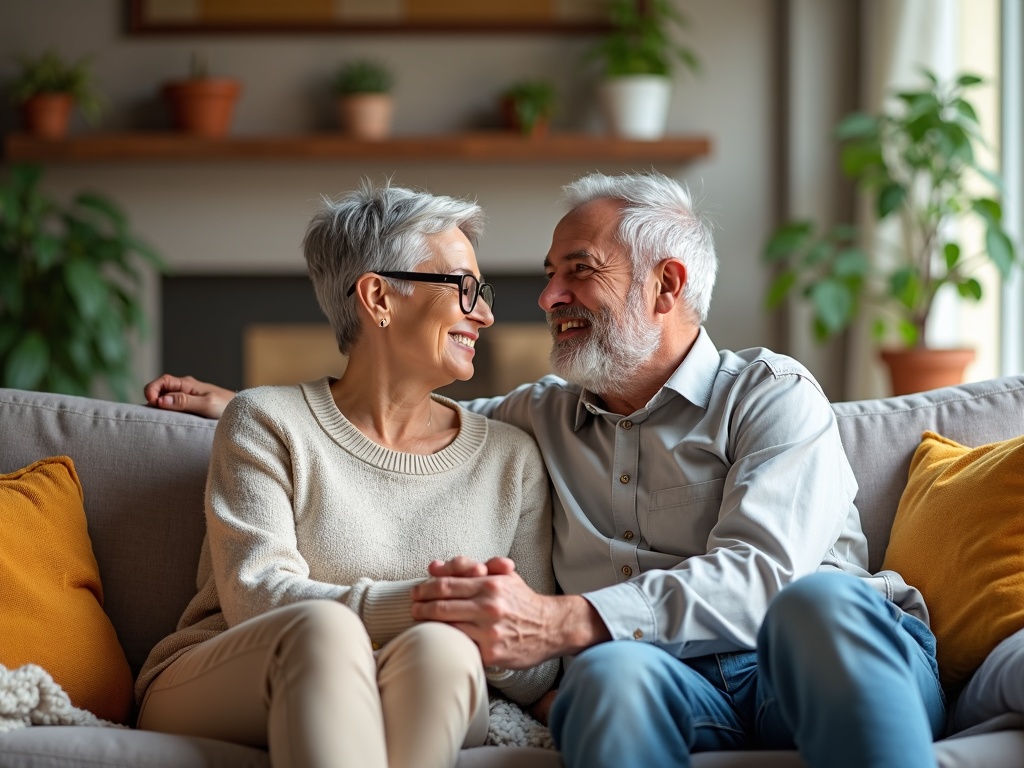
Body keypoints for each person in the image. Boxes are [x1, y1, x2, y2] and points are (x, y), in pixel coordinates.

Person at [145, 170, 945, 768]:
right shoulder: (541, 417)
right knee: (609, 681)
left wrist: (571, 622)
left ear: (667, 284)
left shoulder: (771, 395)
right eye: (549, 272)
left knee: (818, 605)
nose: (545, 296)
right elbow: (405, 423)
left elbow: (765, 576)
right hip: (676, 682)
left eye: (579, 270)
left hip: (809, 654)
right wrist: (250, 406)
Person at [136, 180, 559, 768]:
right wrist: (427, 601)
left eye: (481, 292)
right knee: (324, 632)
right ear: (379, 298)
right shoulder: (265, 421)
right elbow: (257, 596)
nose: (485, 313)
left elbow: (537, 668)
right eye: (464, 289)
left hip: (421, 680)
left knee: (442, 650)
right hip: (226, 671)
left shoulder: (511, 460)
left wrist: (478, 617)